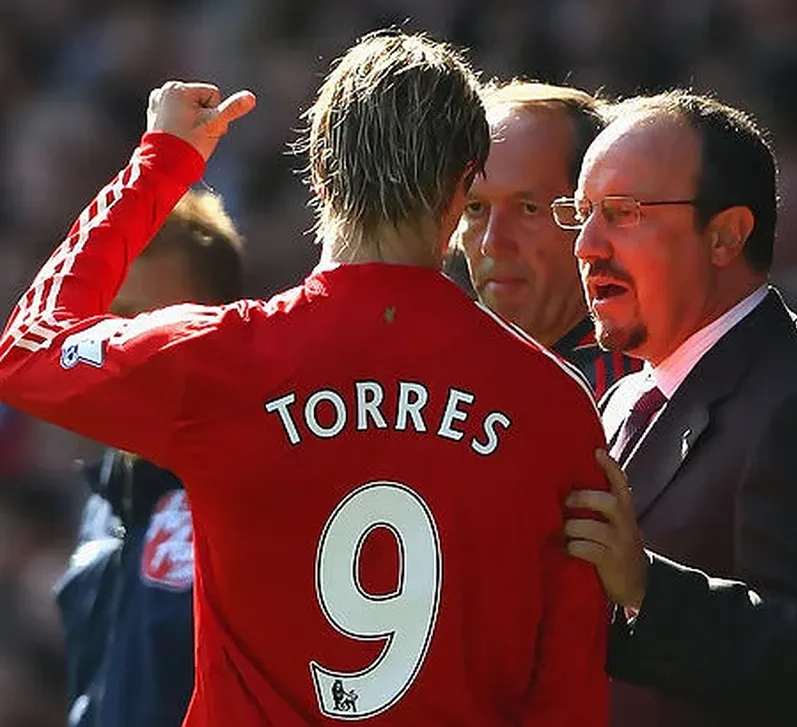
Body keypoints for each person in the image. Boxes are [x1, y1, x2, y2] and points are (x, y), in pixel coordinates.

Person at [0, 31, 609, 727]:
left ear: (319, 170)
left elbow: (28, 347)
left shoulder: (224, 360)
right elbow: (567, 693)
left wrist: (161, 162)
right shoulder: (555, 404)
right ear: (462, 187)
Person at [556, 90, 797, 726]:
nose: (586, 245)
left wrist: (646, 589)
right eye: (580, 213)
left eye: (621, 212)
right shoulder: (624, 397)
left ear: (726, 235)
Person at [55, 189, 245, 727]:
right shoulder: (108, 497)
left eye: (134, 319)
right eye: (95, 321)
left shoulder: (250, 490)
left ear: (214, 324)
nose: (108, 344)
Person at [454, 80, 642, 398]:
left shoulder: (642, 398)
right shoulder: (436, 378)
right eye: (475, 208)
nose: (493, 242)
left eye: (528, 209)